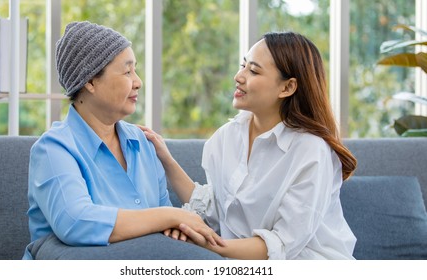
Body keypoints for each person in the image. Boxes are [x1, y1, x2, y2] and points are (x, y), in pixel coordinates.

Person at [140, 31, 358, 260]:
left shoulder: (312, 151)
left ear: (287, 87)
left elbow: (280, 245)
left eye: (253, 70)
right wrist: (166, 158)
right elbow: (213, 212)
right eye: (243, 66)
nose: (238, 76)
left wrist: (206, 243)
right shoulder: (225, 138)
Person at [23, 21, 224, 260]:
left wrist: (170, 221)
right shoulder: (53, 149)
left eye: (135, 70)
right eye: (127, 71)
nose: (138, 81)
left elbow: (163, 223)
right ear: (90, 81)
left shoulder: (143, 143)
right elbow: (76, 222)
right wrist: (171, 216)